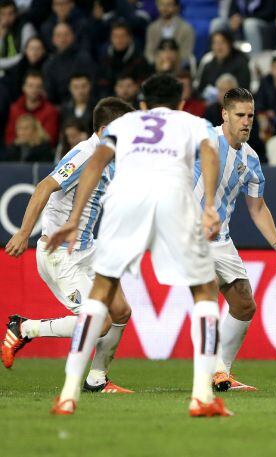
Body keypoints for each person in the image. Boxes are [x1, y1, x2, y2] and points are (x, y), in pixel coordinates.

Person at [44, 74, 230, 417]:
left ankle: (69, 393)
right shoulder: (193, 122)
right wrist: (209, 207)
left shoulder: (125, 123)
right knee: (204, 291)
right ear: (181, 103)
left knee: (100, 292)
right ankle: (202, 396)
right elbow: (210, 151)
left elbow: (96, 163)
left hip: (124, 201)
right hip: (173, 198)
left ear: (143, 104)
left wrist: (73, 219)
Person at [2, 98, 135, 397]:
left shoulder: (108, 156)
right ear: (105, 129)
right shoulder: (85, 154)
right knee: (99, 321)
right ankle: (24, 329)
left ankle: (97, 379)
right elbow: (43, 187)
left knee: (121, 312)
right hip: (60, 253)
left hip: (89, 248)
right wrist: (24, 233)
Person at [195, 88, 276, 392]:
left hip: (220, 240)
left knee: (244, 305)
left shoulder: (251, 159)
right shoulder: (201, 139)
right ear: (224, 115)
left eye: (251, 116)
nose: (246, 122)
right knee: (204, 297)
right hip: (185, 235)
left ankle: (221, 373)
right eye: (240, 115)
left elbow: (257, 208)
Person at [5, 71, 59, 148]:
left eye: (38, 86)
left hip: (41, 153)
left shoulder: (50, 111)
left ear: (42, 89)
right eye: (30, 86)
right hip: (16, 152)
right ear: (23, 87)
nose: (34, 90)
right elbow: (9, 137)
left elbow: (50, 139)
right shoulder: (14, 109)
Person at [144, 0, 195, 65]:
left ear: (176, 7)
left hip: (179, 68)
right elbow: (149, 53)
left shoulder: (187, 29)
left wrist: (171, 64)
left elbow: (186, 54)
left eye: (169, 5)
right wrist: (158, 64)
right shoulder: (152, 28)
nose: (165, 8)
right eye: (162, 5)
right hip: (156, 68)